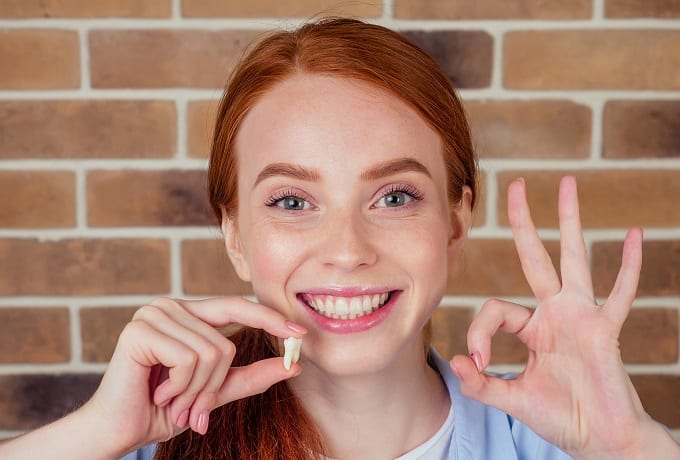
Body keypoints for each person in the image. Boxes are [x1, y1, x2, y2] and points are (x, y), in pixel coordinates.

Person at [0, 17, 678, 460]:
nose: (347, 248)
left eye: (395, 196)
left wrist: (633, 446)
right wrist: (97, 433)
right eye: (293, 201)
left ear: (456, 220)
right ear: (235, 235)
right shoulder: (150, 444)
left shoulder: (570, 444)